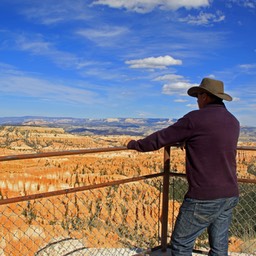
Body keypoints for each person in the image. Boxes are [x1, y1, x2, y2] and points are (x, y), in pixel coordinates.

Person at [127, 78, 240, 255]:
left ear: (205, 96)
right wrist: (187, 139)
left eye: (198, 96)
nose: (197, 100)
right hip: (230, 193)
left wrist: (134, 144)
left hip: (204, 197)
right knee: (219, 247)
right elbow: (210, 140)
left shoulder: (195, 119)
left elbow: (161, 138)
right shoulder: (233, 121)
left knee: (180, 245)